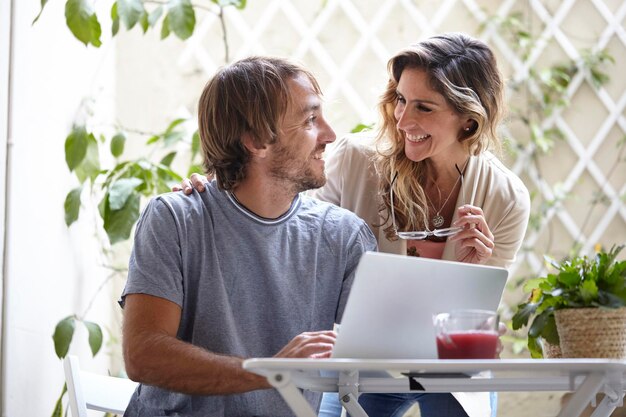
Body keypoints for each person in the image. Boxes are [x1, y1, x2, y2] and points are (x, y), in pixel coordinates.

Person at [179, 33, 531, 417]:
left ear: (469, 119)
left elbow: (467, 326)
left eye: (424, 108)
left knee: (455, 397)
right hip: (359, 354)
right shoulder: (355, 161)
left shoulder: (505, 198)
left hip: (442, 355)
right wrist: (220, 191)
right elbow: (288, 227)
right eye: (400, 99)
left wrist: (468, 270)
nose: (404, 119)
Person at [121, 56, 377, 417]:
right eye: (309, 120)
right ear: (256, 140)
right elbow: (143, 355)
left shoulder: (343, 236)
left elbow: (392, 351)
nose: (330, 135)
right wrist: (270, 370)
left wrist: (458, 259)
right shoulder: (175, 219)